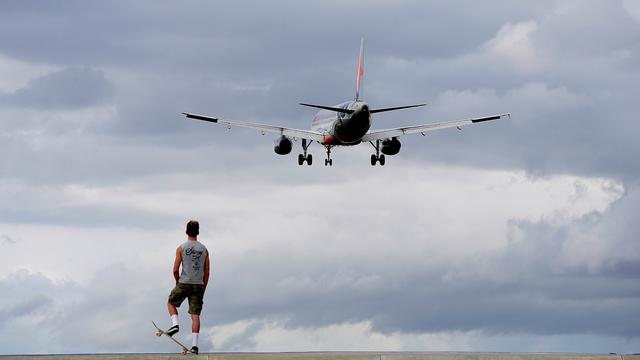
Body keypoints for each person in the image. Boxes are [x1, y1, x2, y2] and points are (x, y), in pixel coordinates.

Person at [166, 220, 210, 354]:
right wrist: (203, 286)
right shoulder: (204, 250)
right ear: (198, 232)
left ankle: (175, 325)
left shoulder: (181, 248)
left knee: (171, 302)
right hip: (199, 284)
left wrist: (177, 282)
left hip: (184, 282)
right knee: (195, 315)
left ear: (186, 231)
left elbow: (174, 269)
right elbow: (207, 271)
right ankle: (195, 346)